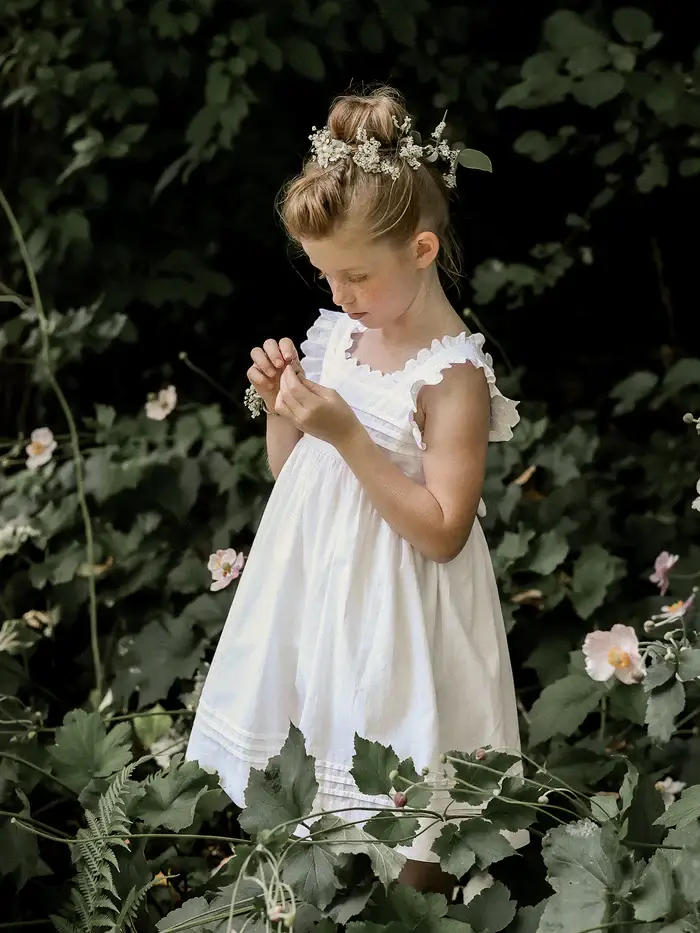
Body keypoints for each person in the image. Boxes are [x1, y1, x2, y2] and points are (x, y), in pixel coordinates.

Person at [186, 85, 525, 894]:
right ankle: (325, 892)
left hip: (404, 613)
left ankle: (418, 903)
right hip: (323, 598)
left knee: (408, 786)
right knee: (323, 758)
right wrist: (284, 407)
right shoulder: (339, 334)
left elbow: (442, 529)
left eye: (354, 275)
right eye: (325, 276)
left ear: (421, 248)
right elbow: (292, 474)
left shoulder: (452, 378)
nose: (338, 296)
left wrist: (345, 432)